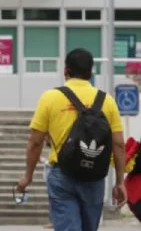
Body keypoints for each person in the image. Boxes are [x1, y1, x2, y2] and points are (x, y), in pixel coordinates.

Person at [16, 48, 127, 231]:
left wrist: (28, 176)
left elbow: (35, 142)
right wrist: (120, 181)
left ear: (65, 70)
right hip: (94, 174)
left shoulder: (50, 98)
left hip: (62, 174)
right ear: (91, 72)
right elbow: (119, 144)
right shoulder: (107, 101)